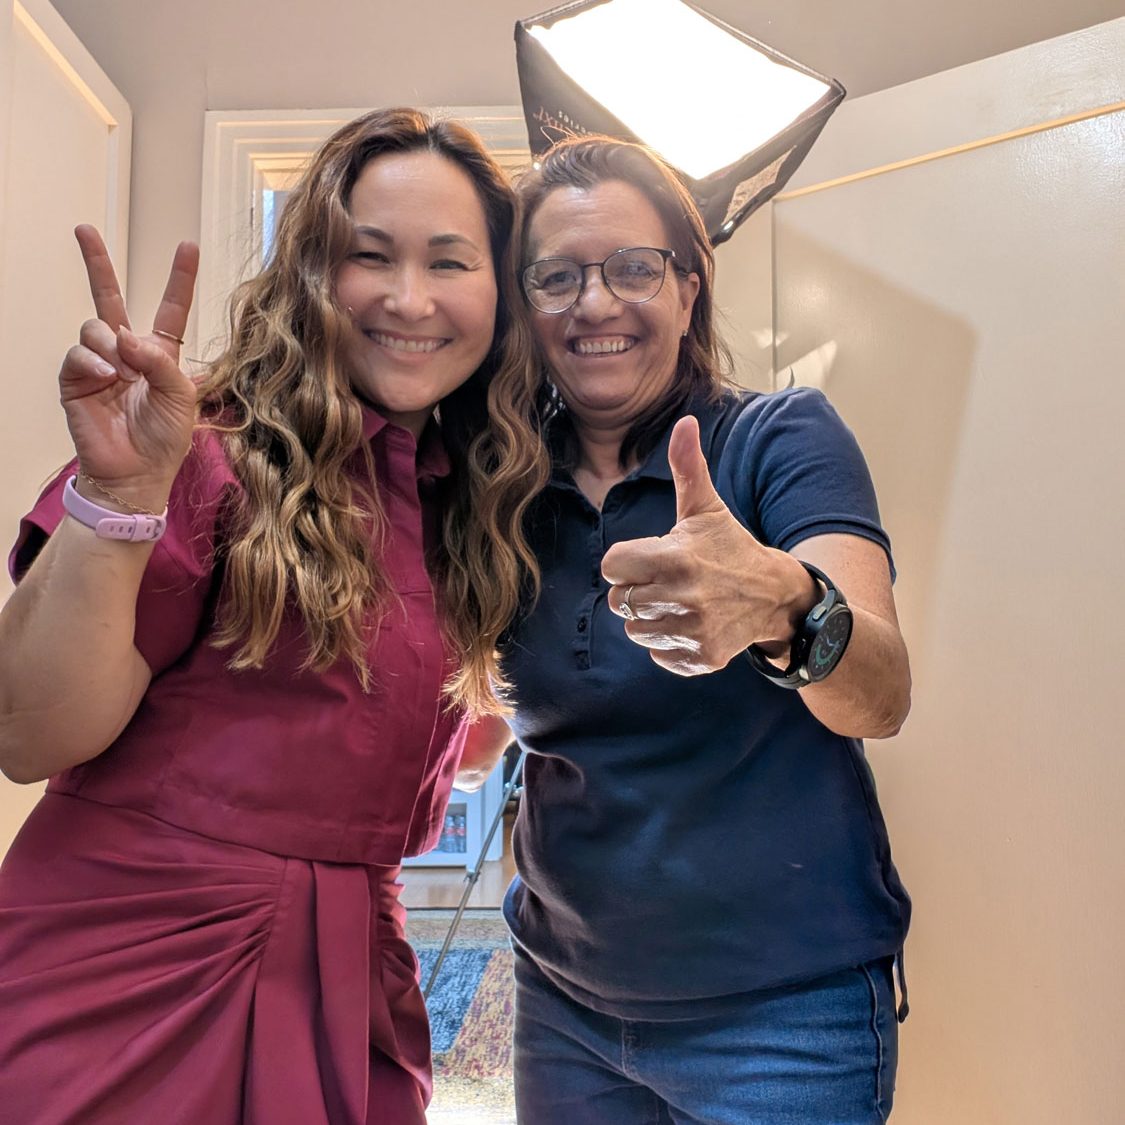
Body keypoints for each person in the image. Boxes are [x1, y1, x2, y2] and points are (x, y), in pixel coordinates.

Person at [0, 107, 543, 1124]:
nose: (409, 297)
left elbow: (431, 742)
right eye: (367, 255)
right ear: (312, 276)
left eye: (450, 262)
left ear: (500, 295)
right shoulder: (205, 451)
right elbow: (32, 734)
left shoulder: (471, 509)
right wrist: (118, 498)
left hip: (351, 977)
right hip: (123, 969)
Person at [458, 135, 913, 1124]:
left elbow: (881, 694)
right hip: (561, 1005)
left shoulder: (777, 438)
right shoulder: (500, 487)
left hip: (784, 1021)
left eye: (633, 268)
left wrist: (786, 606)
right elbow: (505, 728)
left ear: (689, 287)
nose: (596, 303)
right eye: (557, 276)